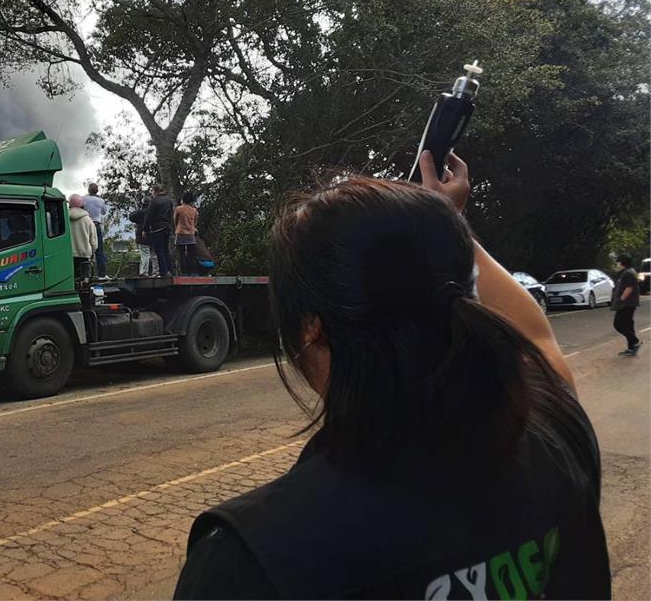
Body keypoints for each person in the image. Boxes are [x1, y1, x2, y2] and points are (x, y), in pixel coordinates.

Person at [174, 151, 609, 599]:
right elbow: (536, 336)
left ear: (311, 330)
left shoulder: (250, 558)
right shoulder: (556, 436)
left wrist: (445, 223)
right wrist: (446, 225)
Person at [612, 253, 642, 356]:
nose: (617, 265)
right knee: (628, 325)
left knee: (618, 324)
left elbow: (629, 287)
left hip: (626, 304)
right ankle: (631, 348)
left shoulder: (628, 273)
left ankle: (635, 341)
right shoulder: (629, 272)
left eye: (618, 262)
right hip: (629, 303)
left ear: (622, 262)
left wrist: (621, 299)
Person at [82, 183, 111, 281]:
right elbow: (104, 212)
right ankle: (102, 274)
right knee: (99, 250)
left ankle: (86, 275)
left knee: (85, 249)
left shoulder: (83, 199)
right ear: (97, 191)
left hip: (85, 224)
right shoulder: (101, 200)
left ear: (88, 190)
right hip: (96, 225)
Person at [68, 194, 99, 284]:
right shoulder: (88, 220)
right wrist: (92, 253)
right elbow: (93, 242)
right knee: (84, 283)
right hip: (84, 256)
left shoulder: (64, 218)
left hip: (68, 257)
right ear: (82, 205)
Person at [145, 184, 174, 277]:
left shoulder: (154, 201)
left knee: (159, 250)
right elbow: (171, 214)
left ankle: (164, 271)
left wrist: (145, 228)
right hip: (167, 227)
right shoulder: (169, 200)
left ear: (155, 191)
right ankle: (170, 269)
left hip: (157, 228)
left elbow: (149, 216)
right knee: (166, 249)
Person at [129, 198, 158, 277]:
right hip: (154, 234)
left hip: (143, 236)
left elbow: (131, 216)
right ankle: (156, 272)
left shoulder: (140, 212)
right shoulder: (155, 212)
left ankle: (144, 272)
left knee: (145, 254)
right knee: (154, 255)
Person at [174, 192, 199, 275]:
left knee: (181, 254)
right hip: (191, 233)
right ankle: (193, 271)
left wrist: (177, 227)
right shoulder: (194, 210)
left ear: (183, 200)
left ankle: (184, 272)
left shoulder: (178, 209)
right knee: (191, 254)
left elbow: (175, 220)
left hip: (180, 232)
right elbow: (195, 222)